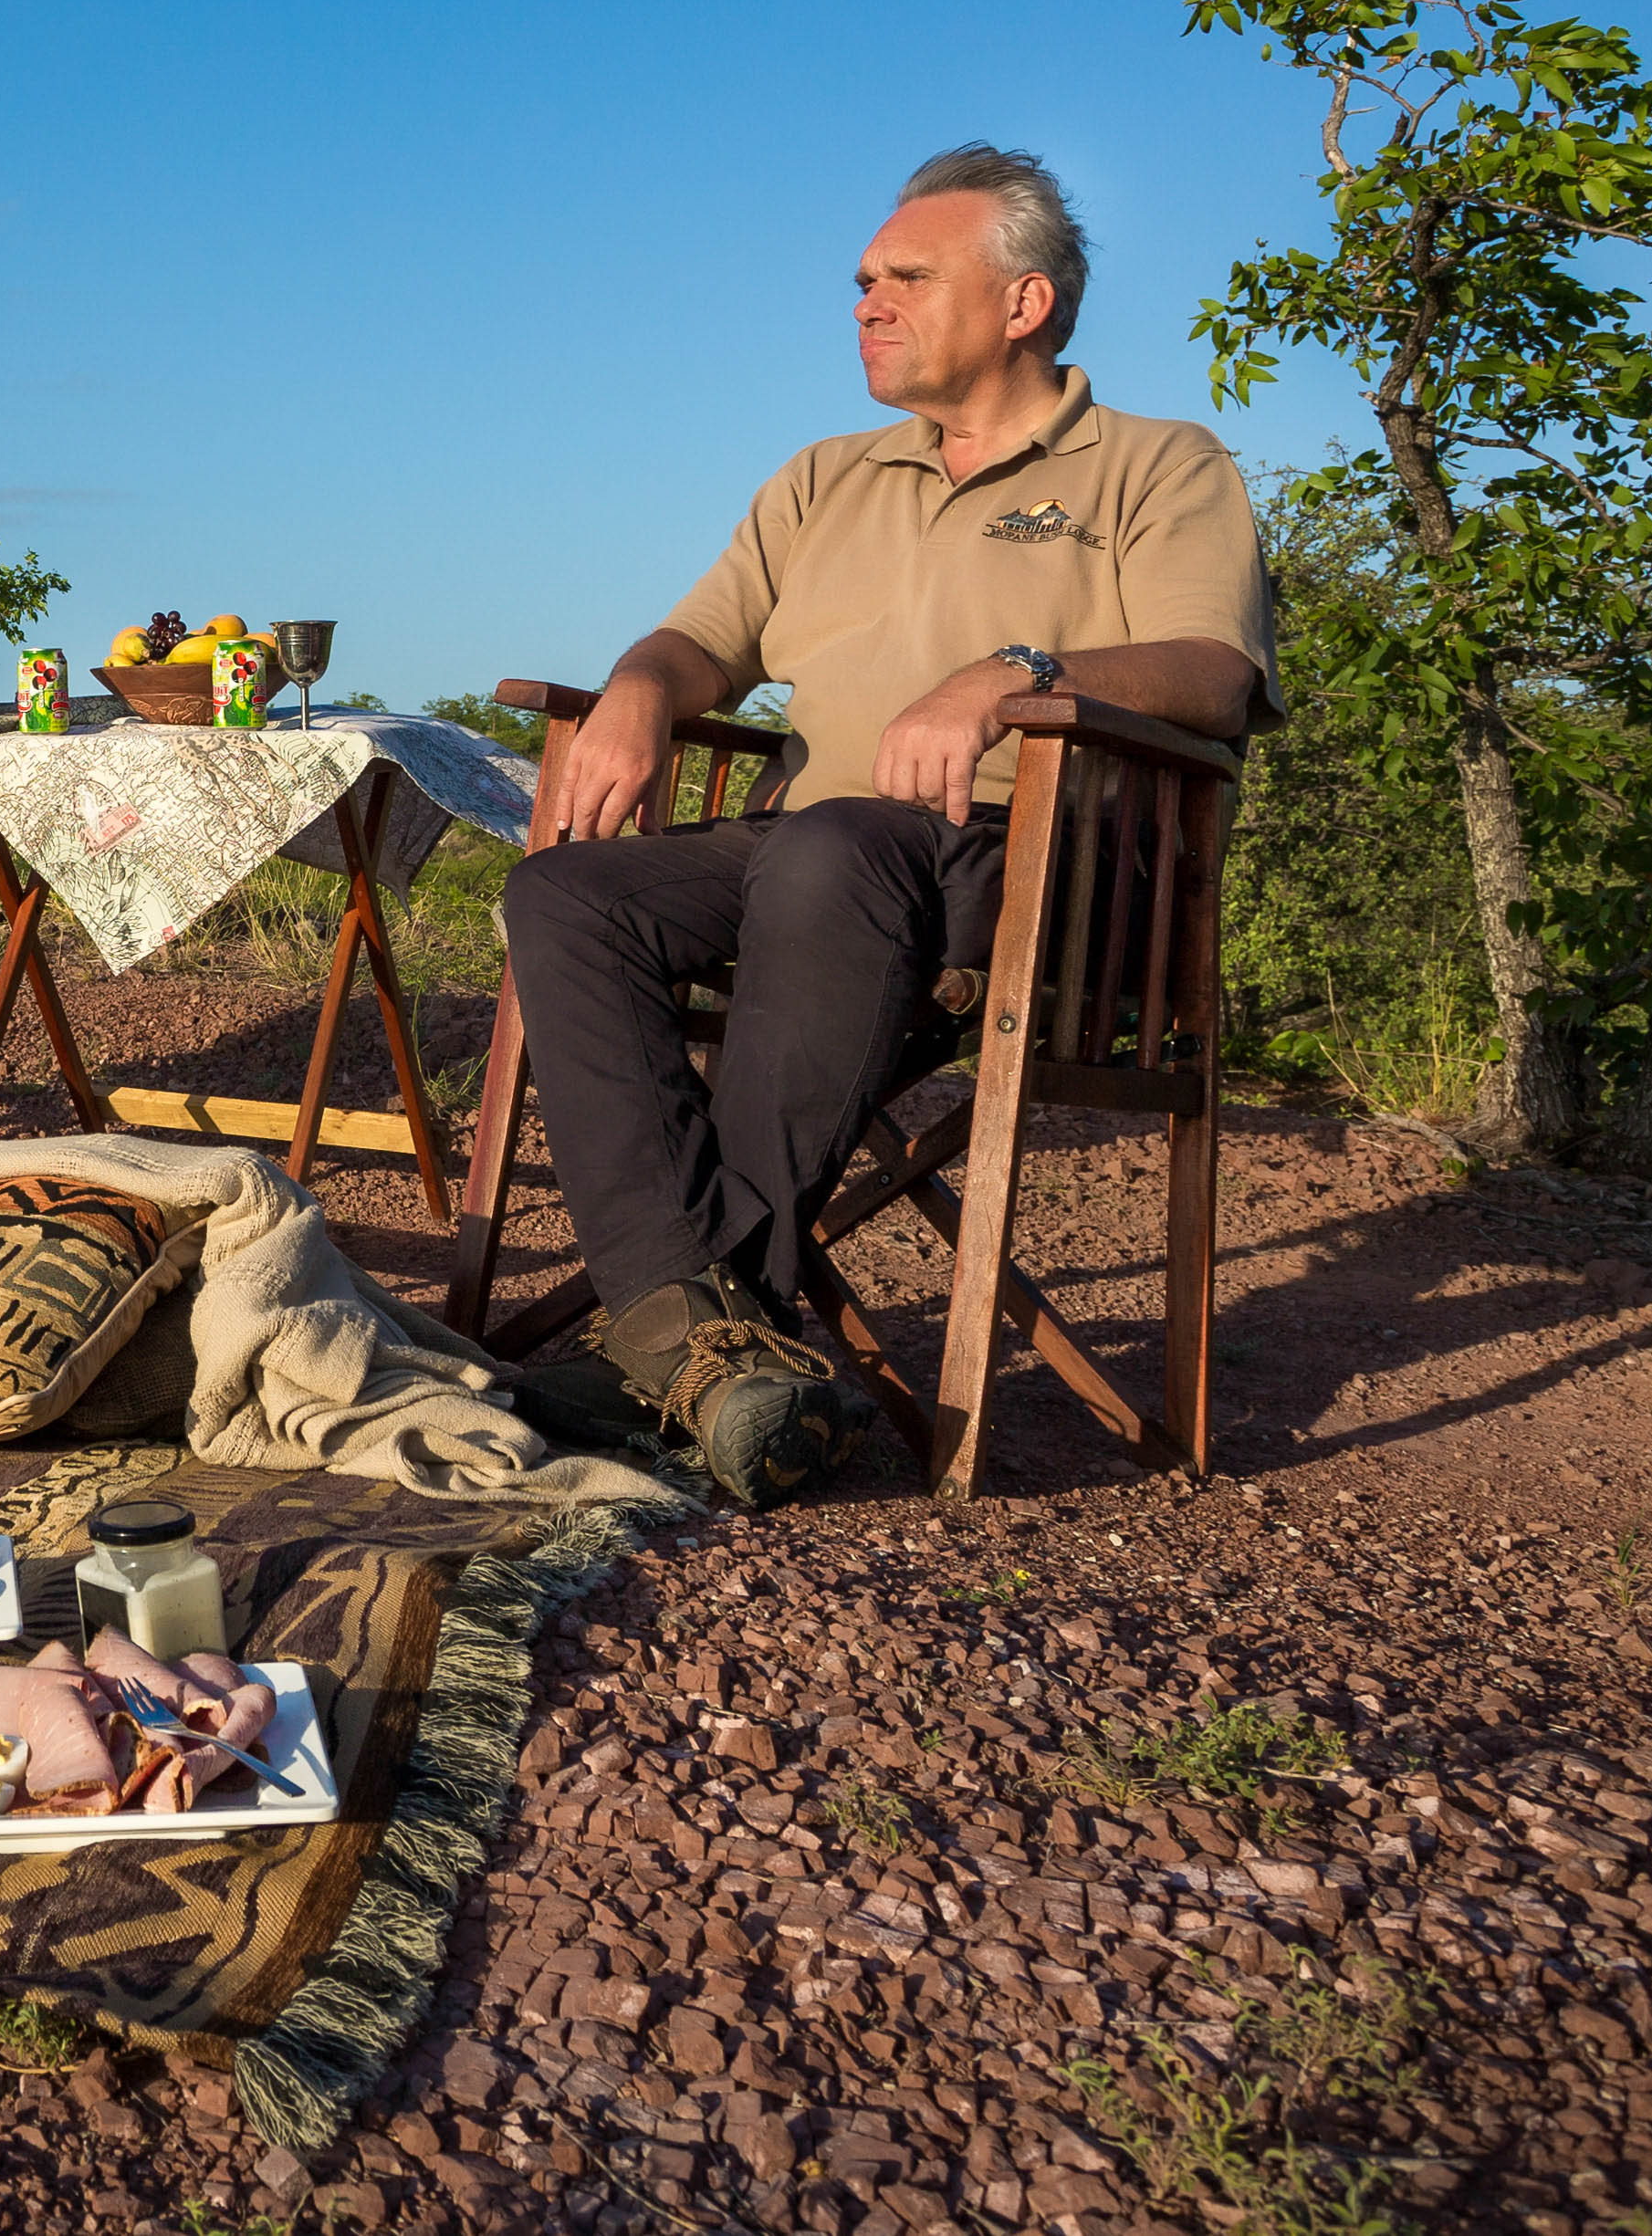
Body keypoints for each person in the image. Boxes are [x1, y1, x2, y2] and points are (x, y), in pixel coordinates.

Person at [501, 145, 1277, 1507]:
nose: (867, 300)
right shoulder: (824, 476)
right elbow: (700, 638)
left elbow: (1215, 674)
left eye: (907, 277)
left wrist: (1016, 673)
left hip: (1033, 858)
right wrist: (640, 685)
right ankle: (702, 1337)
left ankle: (678, 1339)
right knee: (572, 894)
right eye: (863, 280)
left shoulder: (1157, 464)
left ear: (1024, 301)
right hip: (817, 855)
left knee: (829, 843)